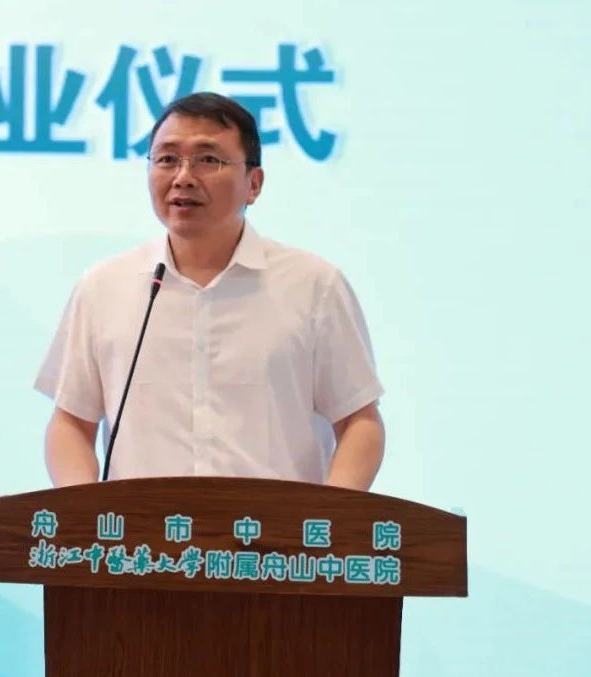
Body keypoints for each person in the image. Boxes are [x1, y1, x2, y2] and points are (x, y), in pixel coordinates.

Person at [34, 91, 384, 491]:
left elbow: (359, 422)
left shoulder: (314, 286)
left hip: (271, 531)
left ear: (254, 184)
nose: (183, 177)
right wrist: (82, 511)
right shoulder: (104, 287)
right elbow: (71, 423)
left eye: (208, 159)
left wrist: (331, 516)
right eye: (167, 159)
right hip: (142, 531)